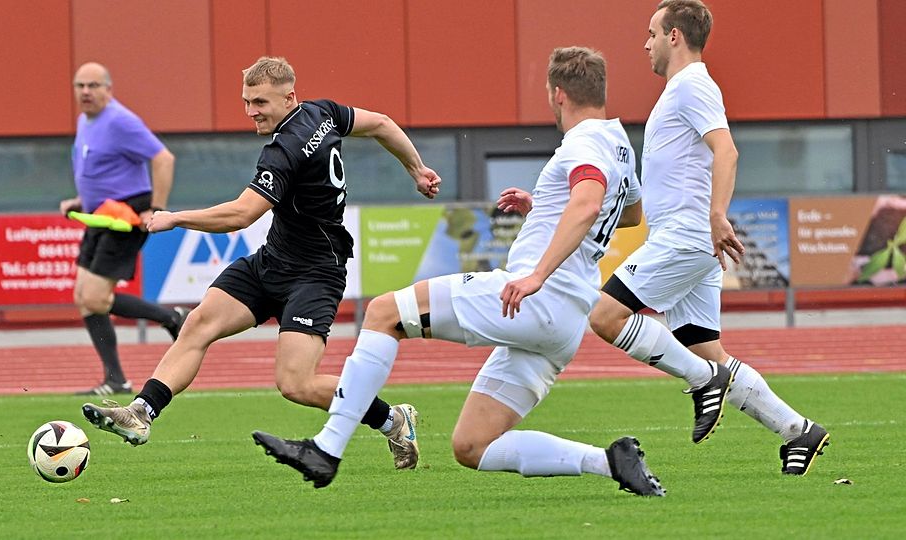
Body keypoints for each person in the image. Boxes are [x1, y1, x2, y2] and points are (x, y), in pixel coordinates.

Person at [253, 47, 665, 497]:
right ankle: (611, 462)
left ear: (558, 93)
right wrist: (544, 208)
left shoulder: (582, 143)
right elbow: (628, 214)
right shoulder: (618, 143)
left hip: (533, 297)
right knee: (473, 445)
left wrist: (537, 275)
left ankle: (327, 449)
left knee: (384, 313)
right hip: (566, 320)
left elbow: (587, 203)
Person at [80, 56, 441, 470]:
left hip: (315, 274)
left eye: (260, 103)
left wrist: (176, 218)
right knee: (199, 323)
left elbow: (241, 215)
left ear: (289, 98)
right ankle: (142, 412)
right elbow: (381, 124)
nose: (251, 111)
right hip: (273, 261)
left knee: (296, 384)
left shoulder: (284, 149)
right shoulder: (322, 112)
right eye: (246, 102)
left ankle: (393, 420)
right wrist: (416, 170)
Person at [587, 0, 829, 475]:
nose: (646, 44)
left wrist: (718, 215)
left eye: (652, 34)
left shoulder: (692, 84)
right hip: (686, 236)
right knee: (705, 350)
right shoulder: (680, 89)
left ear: (674, 36)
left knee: (605, 315)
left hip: (688, 234)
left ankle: (704, 382)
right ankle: (798, 430)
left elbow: (727, 150)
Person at [61, 62, 188, 397]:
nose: (85, 92)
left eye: (93, 85)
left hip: (125, 215)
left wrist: (156, 209)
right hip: (99, 215)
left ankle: (173, 318)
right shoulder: (85, 120)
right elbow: (101, 170)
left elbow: (164, 159)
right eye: (80, 86)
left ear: (108, 89)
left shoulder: (120, 120)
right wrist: (80, 200)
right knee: (84, 298)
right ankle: (116, 379)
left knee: (95, 297)